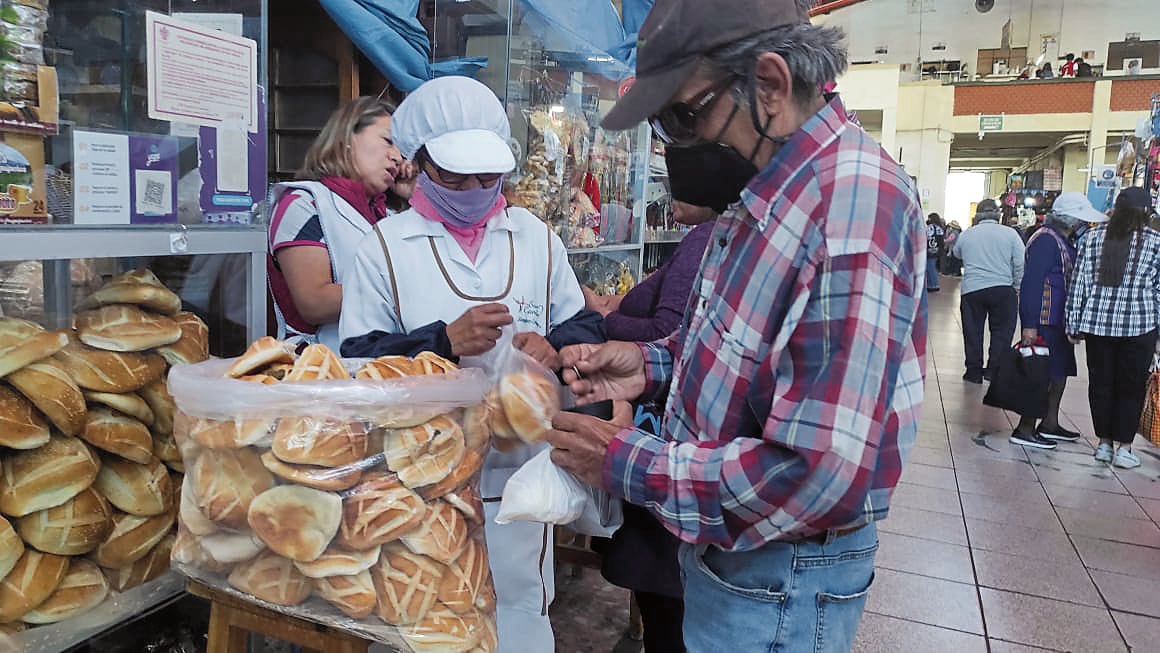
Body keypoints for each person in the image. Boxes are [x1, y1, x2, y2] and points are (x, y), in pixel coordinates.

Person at [544, 1, 928, 651]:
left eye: (685, 116)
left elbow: (815, 474)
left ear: (771, 86)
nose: (677, 145)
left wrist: (624, 461)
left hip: (780, 570)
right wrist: (652, 364)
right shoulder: (765, 190)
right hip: (733, 549)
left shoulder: (850, 207)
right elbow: (748, 344)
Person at [337, 76, 604, 652]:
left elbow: (584, 322)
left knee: (519, 611)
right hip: (421, 476)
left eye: (488, 176)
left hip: (521, 474)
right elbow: (356, 361)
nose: (476, 188)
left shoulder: (534, 237)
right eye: (456, 176)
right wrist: (443, 342)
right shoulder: (385, 245)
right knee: (422, 614)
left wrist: (556, 347)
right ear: (421, 163)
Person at [588, 140, 748, 653]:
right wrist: (647, 363)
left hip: (700, 496)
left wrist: (623, 460)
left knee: (674, 616)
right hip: (692, 477)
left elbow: (672, 325)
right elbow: (695, 339)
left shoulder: (710, 241)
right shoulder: (721, 239)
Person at [267, 97, 416, 350]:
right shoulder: (305, 203)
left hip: (379, 369)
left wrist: (416, 195)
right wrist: (405, 289)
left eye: (402, 150)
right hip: (321, 370)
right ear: (347, 138)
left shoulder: (386, 215)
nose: (397, 157)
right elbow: (314, 302)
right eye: (388, 141)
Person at [1067, 187, 1160, 469]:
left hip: (1097, 325)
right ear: (1146, 212)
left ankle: (1103, 445)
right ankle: (1124, 448)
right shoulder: (1156, 240)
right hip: (1140, 326)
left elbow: (1079, 283)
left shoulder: (1093, 238)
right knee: (1130, 387)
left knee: (1101, 383)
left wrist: (1073, 322)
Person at [1009, 192, 1105, 449]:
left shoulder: (1062, 239)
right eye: (1080, 220)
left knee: (1059, 373)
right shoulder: (1045, 241)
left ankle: (1049, 423)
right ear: (1069, 219)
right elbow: (1032, 283)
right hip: (1043, 319)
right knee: (1040, 375)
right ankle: (1024, 428)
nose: (1082, 225)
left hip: (1059, 320)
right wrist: (1029, 324)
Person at [953, 199, 1026, 383]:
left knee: (972, 332)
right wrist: (1017, 286)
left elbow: (956, 254)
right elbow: (1020, 262)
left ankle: (973, 372)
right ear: (998, 214)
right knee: (1002, 332)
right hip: (1003, 288)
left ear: (977, 215)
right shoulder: (1010, 234)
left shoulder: (967, 234)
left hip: (972, 290)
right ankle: (994, 371)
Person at [926, 212, 946, 292]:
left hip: (930, 250)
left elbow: (927, 238)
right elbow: (941, 241)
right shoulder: (939, 228)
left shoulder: (929, 228)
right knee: (932, 267)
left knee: (930, 268)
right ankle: (933, 284)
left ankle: (933, 284)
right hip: (937, 250)